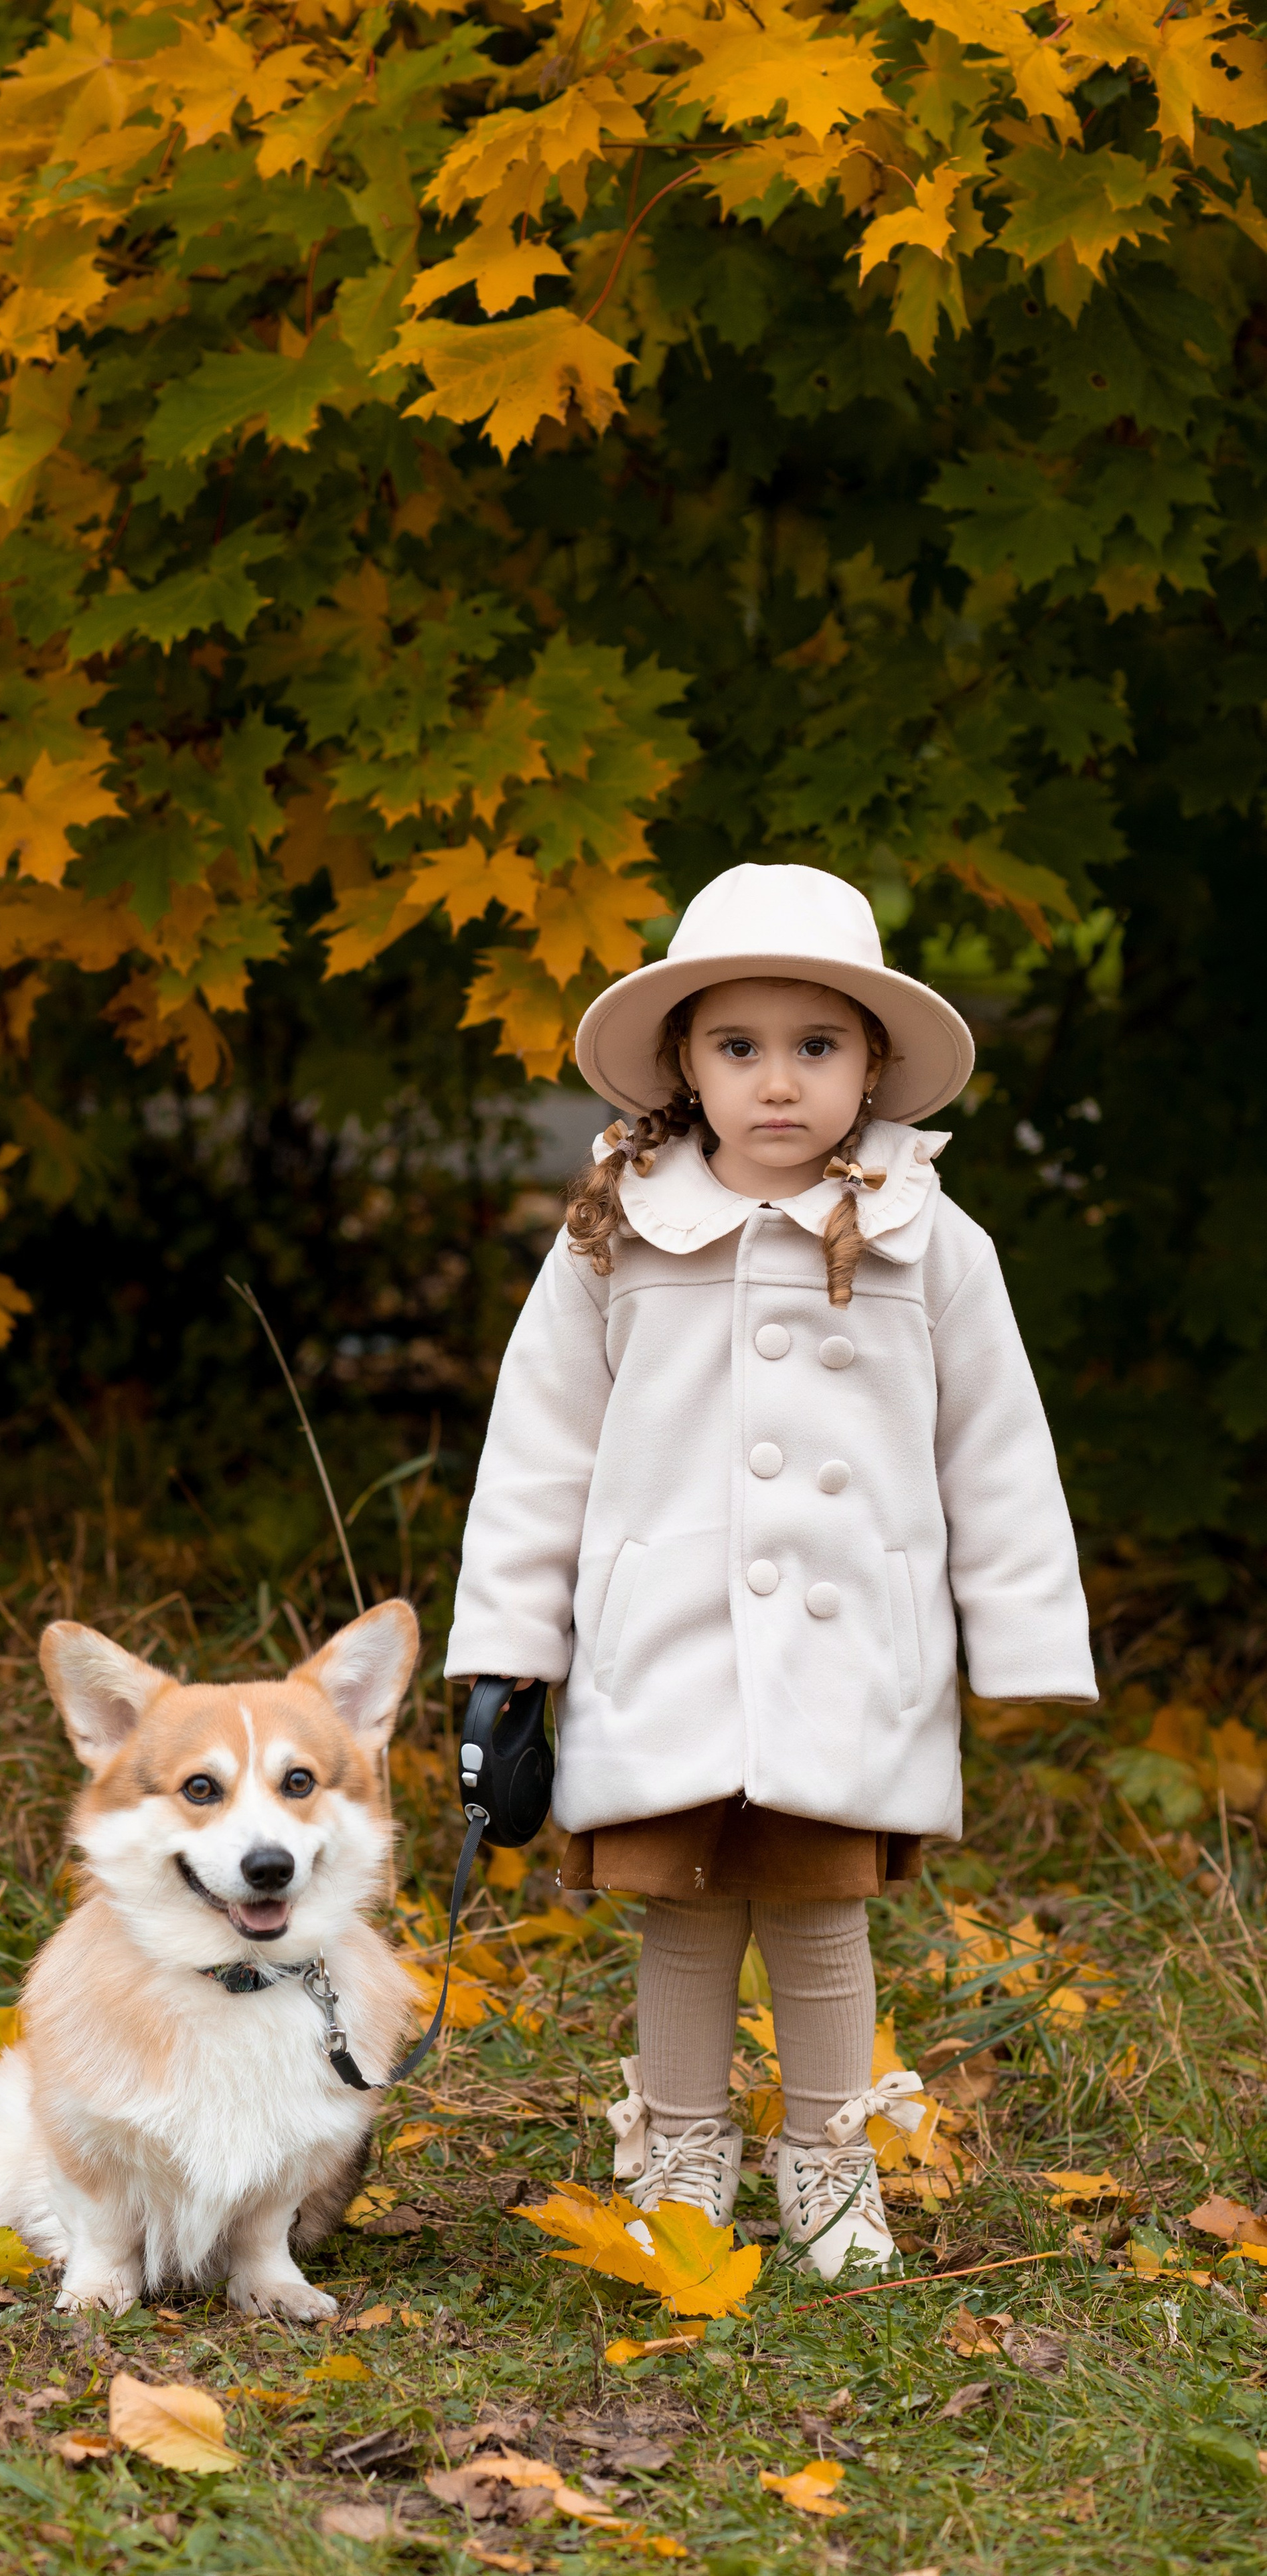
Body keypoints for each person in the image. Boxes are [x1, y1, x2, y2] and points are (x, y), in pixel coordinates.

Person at [446, 863, 1095, 2277]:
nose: (779, 1081)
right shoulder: (615, 1233)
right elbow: (538, 1448)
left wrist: (1024, 1636)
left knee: (815, 1912)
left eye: (817, 1045)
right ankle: (682, 2151)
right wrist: (511, 1643)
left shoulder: (929, 1238)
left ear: (873, 1064)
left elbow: (993, 1446)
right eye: (739, 1046)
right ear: (685, 1061)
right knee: (684, 1912)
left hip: (844, 1647)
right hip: (663, 1640)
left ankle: (828, 2154)